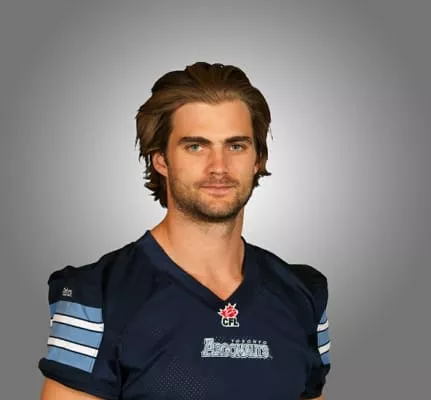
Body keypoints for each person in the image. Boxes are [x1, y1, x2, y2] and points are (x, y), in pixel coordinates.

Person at [39, 62, 331, 400]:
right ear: (160, 159)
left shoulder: (302, 295)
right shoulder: (97, 296)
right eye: (196, 146)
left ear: (257, 160)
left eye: (236, 146)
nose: (219, 167)